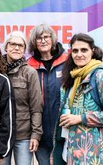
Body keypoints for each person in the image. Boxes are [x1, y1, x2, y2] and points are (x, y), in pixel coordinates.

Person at [53, 33, 103, 164]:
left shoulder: (101, 76)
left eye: (84, 50)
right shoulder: (71, 78)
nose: (79, 54)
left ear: (93, 51)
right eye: (75, 50)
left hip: (94, 154)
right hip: (70, 150)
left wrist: (80, 118)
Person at [27, 23, 68, 165]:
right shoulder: (28, 66)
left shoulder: (67, 62)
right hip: (40, 133)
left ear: (53, 39)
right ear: (34, 42)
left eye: (46, 37)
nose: (43, 41)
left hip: (64, 131)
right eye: (39, 38)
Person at [3, 31, 43, 165]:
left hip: (23, 136)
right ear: (6, 47)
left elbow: (36, 107)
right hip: (1, 135)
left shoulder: (30, 73)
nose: (16, 48)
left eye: (20, 46)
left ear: (24, 50)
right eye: (13, 44)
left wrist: (36, 135)